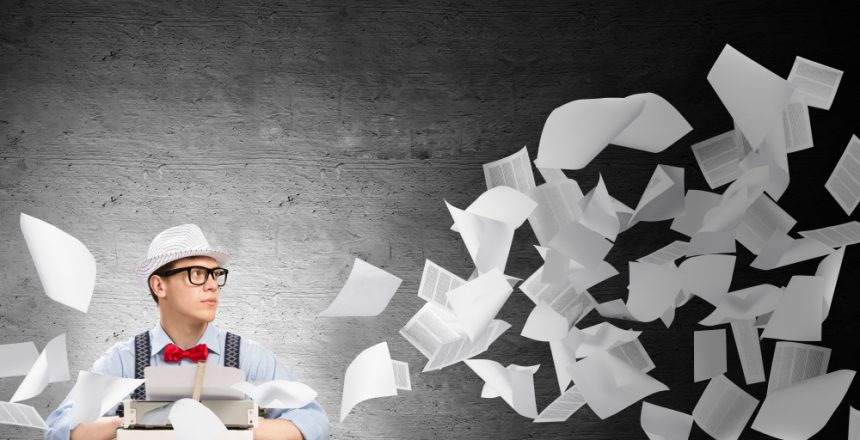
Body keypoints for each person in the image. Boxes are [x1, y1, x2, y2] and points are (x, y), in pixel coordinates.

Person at [45, 224, 329, 440]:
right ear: (159, 286)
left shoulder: (248, 358)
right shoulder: (122, 360)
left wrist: (237, 426)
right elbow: (58, 428)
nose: (212, 285)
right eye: (197, 274)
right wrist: (130, 421)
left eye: (215, 274)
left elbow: (314, 422)